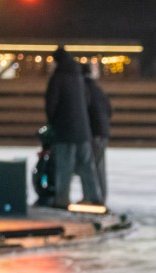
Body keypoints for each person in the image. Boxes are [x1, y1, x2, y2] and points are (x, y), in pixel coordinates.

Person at [45, 46, 102, 208]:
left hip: (65, 129)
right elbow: (87, 100)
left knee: (64, 165)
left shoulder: (57, 78)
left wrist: (52, 122)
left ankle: (62, 199)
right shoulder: (78, 76)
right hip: (83, 129)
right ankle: (93, 197)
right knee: (86, 165)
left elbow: (51, 104)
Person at [82, 65, 111, 203]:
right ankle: (101, 196)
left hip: (94, 132)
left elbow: (84, 111)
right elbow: (109, 110)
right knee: (99, 166)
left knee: (92, 166)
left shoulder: (84, 89)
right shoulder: (98, 89)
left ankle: (95, 198)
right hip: (103, 132)